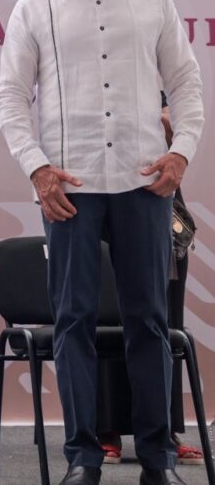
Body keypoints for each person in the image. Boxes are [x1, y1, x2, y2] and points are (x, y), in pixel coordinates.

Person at [0, 0, 203, 485]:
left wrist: (181, 154)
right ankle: (84, 457)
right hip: (70, 188)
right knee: (73, 322)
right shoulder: (34, 9)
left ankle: (158, 460)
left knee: (149, 322)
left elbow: (186, 85)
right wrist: (37, 168)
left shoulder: (152, 0)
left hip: (145, 186)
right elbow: (11, 97)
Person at [97, 100, 200, 467]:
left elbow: (185, 133)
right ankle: (105, 430)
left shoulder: (160, 79)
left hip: (159, 205)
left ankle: (163, 432)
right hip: (103, 199)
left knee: (163, 322)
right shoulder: (95, 82)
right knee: (106, 319)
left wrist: (173, 133)